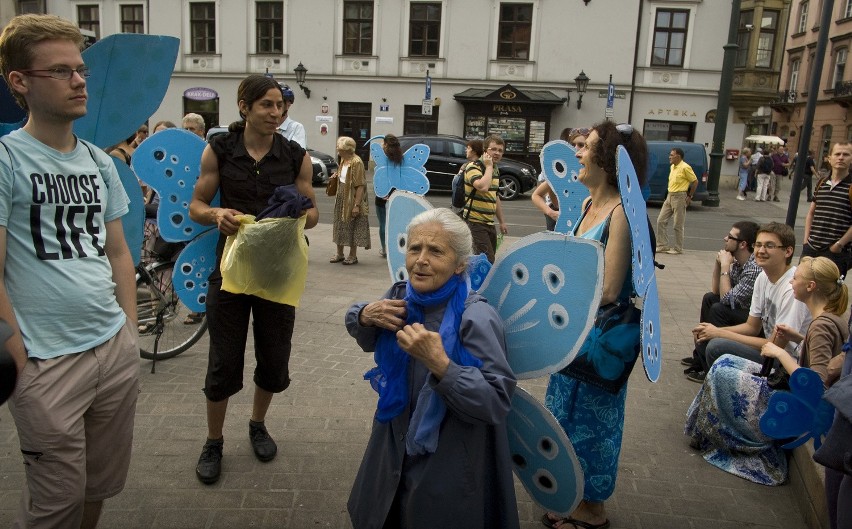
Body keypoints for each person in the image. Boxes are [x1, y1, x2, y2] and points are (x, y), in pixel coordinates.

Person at [0, 14, 139, 527]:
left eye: (80, 69)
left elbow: (118, 251)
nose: (80, 80)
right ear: (19, 81)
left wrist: (128, 329)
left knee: (98, 488)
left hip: (112, 352)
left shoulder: (99, 163)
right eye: (61, 71)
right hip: (45, 362)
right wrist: (20, 357)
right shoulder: (7, 161)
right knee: (54, 503)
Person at [345, 207, 519, 529]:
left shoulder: (476, 317)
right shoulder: (401, 297)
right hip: (391, 450)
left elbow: (496, 401)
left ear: (460, 264)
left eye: (435, 251)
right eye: (414, 248)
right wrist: (363, 315)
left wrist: (442, 365)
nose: (420, 259)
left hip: (449, 464)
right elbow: (368, 336)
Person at [189, 74, 318, 485]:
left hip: (278, 272)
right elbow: (196, 204)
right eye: (266, 105)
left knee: (274, 357)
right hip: (229, 270)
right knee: (224, 359)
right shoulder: (220, 150)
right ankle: (213, 440)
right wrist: (216, 215)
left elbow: (313, 213)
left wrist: (299, 212)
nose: (276, 113)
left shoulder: (296, 155)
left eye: (281, 106)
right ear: (244, 106)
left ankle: (257, 424)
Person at [542, 121, 648, 529]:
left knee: (592, 423)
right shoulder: (589, 205)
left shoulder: (621, 212)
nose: (578, 154)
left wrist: (559, 294)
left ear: (606, 159)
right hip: (571, 331)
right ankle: (569, 494)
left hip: (598, 337)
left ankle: (592, 510)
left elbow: (609, 290)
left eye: (584, 148)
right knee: (564, 416)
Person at [685, 256, 849, 485]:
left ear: (811, 287)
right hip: (798, 393)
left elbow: (817, 386)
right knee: (725, 361)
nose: (792, 282)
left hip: (804, 407)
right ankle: (705, 433)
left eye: (797, 278)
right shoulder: (831, 318)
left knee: (722, 373)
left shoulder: (821, 325)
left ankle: (720, 438)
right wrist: (798, 337)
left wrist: (780, 353)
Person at [690, 222, 812, 382]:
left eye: (769, 246)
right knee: (709, 334)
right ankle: (719, 388)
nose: (761, 251)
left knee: (716, 346)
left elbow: (776, 346)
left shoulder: (792, 288)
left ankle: (724, 391)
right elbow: (752, 327)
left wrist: (719, 333)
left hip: (787, 362)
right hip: (770, 349)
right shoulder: (763, 277)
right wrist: (711, 331)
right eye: (758, 245)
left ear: (787, 251)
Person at [682, 221, 761, 376]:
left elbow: (726, 299)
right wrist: (719, 264)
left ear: (743, 244)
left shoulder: (753, 269)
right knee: (710, 298)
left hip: (752, 319)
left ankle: (709, 366)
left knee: (719, 309)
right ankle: (700, 357)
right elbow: (716, 290)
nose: (725, 238)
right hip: (740, 309)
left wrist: (725, 266)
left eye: (730, 236)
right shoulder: (739, 263)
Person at [802, 142, 852, 275]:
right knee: (803, 288)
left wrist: (839, 245)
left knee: (829, 293)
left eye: (846, 154)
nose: (841, 157)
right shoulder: (821, 183)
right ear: (829, 158)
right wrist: (806, 240)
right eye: (837, 154)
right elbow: (811, 213)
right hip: (811, 248)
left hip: (834, 252)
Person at [462, 134, 509, 263]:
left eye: (500, 150)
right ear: (485, 150)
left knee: (484, 260)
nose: (497, 153)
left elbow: (494, 196)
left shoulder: (495, 169)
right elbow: (482, 187)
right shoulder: (473, 167)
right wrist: (488, 167)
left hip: (489, 223)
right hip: (474, 222)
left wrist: (502, 221)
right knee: (486, 261)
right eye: (493, 149)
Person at [532, 127, 589, 231]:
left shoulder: (592, 171)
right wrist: (551, 212)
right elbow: (536, 195)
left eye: (581, 145)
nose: (576, 148)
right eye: (573, 144)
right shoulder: (565, 169)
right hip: (563, 221)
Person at [330, 136, 370, 265]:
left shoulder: (356, 162)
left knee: (353, 225)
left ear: (347, 150)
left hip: (352, 198)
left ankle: (353, 255)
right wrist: (337, 176)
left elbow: (360, 186)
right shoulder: (343, 159)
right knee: (339, 224)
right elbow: (344, 176)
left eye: (340, 149)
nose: (338, 151)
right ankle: (339, 253)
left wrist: (356, 205)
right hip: (341, 196)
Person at [655, 147, 697, 255]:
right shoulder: (672, 167)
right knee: (660, 220)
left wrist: (689, 196)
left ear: (678, 156)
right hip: (669, 196)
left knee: (677, 224)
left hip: (680, 197)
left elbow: (695, 181)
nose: (669, 157)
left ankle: (678, 248)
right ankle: (662, 245)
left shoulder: (685, 167)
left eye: (671, 155)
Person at [374, 134, 403, 258]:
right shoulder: (401, 158)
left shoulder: (381, 158)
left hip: (382, 194)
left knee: (383, 224)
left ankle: (384, 249)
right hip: (396, 195)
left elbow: (378, 177)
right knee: (395, 223)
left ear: (385, 144)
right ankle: (395, 248)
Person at [276, 84, 306, 148]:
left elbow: (297, 156)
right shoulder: (264, 126)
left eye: (279, 104)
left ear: (288, 104)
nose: (274, 109)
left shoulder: (296, 128)